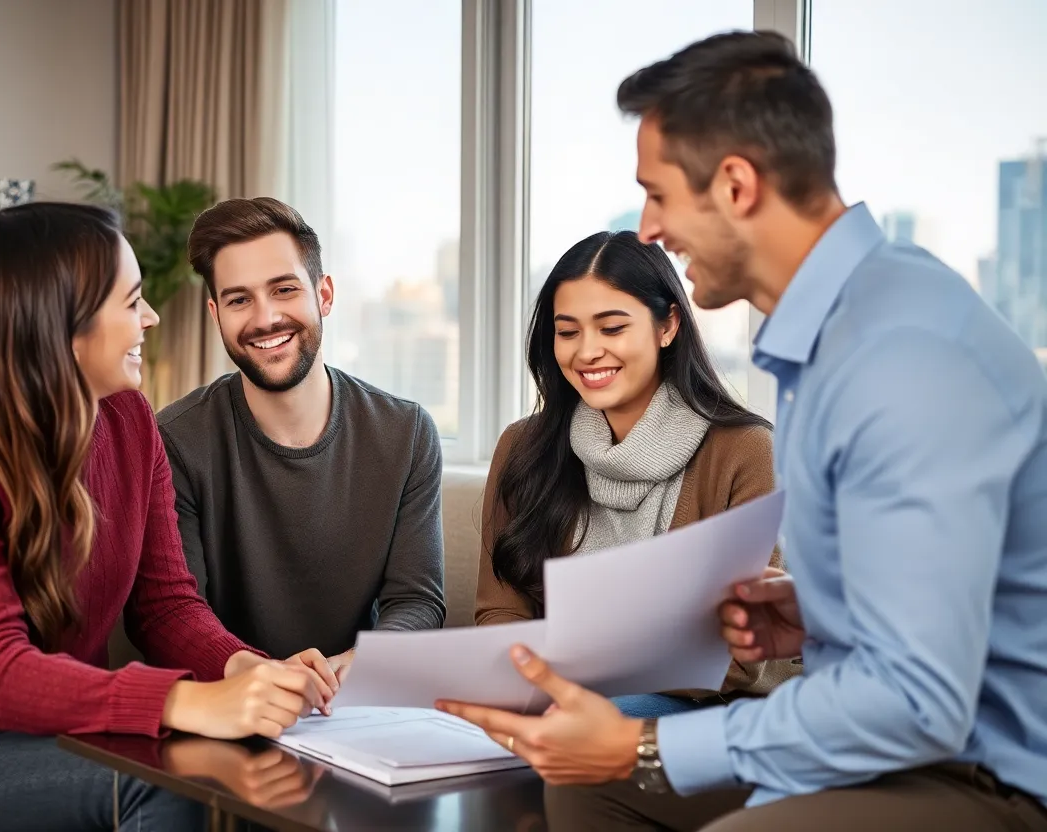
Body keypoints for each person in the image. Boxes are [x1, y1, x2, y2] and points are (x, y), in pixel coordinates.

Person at [438, 30, 1047, 831]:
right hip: (883, 749)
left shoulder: (901, 356)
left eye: (658, 193)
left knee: (653, 784)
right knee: (585, 784)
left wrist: (642, 747)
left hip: (974, 773)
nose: (649, 228)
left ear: (734, 185)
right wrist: (817, 614)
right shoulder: (831, 336)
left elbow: (918, 698)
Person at [0, 202, 342, 832]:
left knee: (258, 759)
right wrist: (188, 700)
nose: (150, 318)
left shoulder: (129, 423)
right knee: (165, 788)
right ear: (60, 325)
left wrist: (246, 668)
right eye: (131, 303)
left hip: (43, 739)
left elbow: (165, 605)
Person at [476, 230, 796, 719]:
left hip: (709, 705)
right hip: (559, 694)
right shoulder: (524, 446)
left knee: (584, 722)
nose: (586, 352)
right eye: (568, 332)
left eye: (611, 328)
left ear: (667, 326)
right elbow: (500, 613)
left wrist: (574, 678)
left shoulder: (746, 451)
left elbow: (737, 658)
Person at [157, 197, 446, 674]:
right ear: (216, 314)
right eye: (239, 299)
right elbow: (175, 613)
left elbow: (417, 601)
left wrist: (359, 665)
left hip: (356, 705)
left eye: (284, 289)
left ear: (324, 295)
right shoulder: (174, 441)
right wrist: (258, 675)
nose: (266, 317)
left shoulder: (406, 433)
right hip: (228, 703)